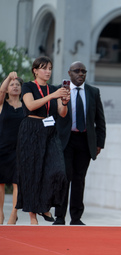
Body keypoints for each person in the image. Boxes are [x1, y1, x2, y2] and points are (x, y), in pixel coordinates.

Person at [16, 56, 70, 225]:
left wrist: (64, 102)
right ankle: (33, 217)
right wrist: (53, 95)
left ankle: (45, 204)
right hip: (31, 130)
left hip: (49, 131)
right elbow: (31, 105)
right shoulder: (28, 86)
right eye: (44, 68)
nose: (48, 71)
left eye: (50, 68)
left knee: (58, 171)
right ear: (35, 70)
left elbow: (62, 113)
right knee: (32, 173)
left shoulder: (54, 89)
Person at [53, 61, 106, 225]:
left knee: (79, 179)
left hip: (85, 141)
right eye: (77, 71)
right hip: (65, 141)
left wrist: (99, 143)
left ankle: (76, 218)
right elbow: (54, 118)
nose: (81, 74)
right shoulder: (60, 90)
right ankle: (60, 217)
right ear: (69, 73)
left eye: (83, 71)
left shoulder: (93, 92)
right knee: (64, 177)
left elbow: (100, 120)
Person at [0, 72, 24, 225]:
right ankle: (0, 213)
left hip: (20, 149)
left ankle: (13, 214)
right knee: (0, 182)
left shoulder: (26, 106)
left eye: (17, 84)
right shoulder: (2, 104)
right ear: (7, 89)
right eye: (12, 84)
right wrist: (9, 77)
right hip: (2, 148)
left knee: (17, 182)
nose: (15, 86)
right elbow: (0, 92)